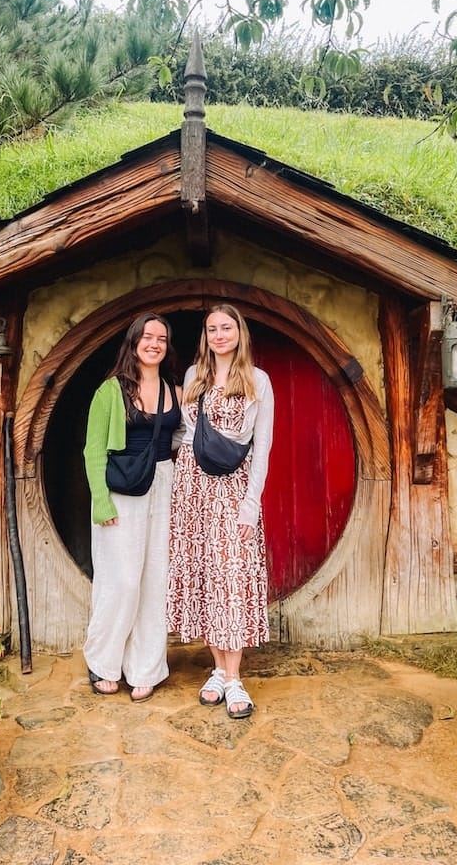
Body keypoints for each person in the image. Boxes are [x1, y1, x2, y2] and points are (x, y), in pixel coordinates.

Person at [168, 303, 274, 719]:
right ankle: (217, 669)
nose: (219, 335)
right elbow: (186, 431)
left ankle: (235, 679)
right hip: (192, 486)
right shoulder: (195, 376)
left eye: (226, 328)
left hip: (233, 486)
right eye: (212, 329)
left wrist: (251, 505)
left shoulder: (258, 380)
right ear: (205, 336)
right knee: (206, 576)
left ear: (239, 333)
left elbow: (261, 446)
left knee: (232, 575)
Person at [82, 312, 182, 701]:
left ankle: (146, 667)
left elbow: (178, 439)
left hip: (163, 484)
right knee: (121, 581)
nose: (154, 343)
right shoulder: (110, 390)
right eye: (147, 337)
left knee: (155, 579)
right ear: (133, 342)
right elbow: (92, 450)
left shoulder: (173, 388)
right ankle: (103, 662)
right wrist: (101, 502)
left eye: (161, 338)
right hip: (121, 489)